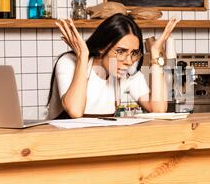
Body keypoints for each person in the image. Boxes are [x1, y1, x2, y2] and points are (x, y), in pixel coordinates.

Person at [47, 13, 179, 119]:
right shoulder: (68, 62)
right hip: (62, 144)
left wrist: (156, 54)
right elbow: (75, 111)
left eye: (134, 53)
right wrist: (83, 56)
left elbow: (159, 110)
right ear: (102, 48)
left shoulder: (127, 71)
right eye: (120, 51)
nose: (128, 61)